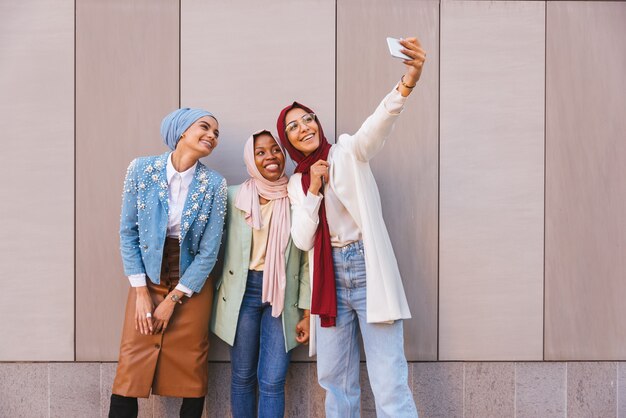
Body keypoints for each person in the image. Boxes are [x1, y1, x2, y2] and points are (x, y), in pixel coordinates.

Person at [276, 37, 426, 418]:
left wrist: (407, 81)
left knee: (389, 380)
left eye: (308, 118)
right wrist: (312, 191)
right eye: (293, 126)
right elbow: (302, 239)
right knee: (335, 382)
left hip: (365, 268)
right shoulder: (296, 183)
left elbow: (378, 125)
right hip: (328, 282)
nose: (304, 127)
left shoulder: (346, 151)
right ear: (288, 139)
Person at [109, 108, 227, 418]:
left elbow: (209, 253)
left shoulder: (214, 184)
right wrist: (141, 293)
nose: (212, 136)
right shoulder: (141, 169)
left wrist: (174, 299)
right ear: (182, 131)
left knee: (192, 368)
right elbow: (128, 233)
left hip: (192, 288)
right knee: (130, 367)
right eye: (205, 127)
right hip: (146, 281)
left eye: (216, 133)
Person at [211, 130, 310, 418]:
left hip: (282, 295)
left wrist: (306, 311)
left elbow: (304, 259)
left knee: (273, 380)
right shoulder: (232, 197)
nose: (270, 157)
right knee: (242, 377)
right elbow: (208, 244)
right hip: (242, 293)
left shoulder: (295, 199)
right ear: (250, 160)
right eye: (261, 152)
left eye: (275, 150)